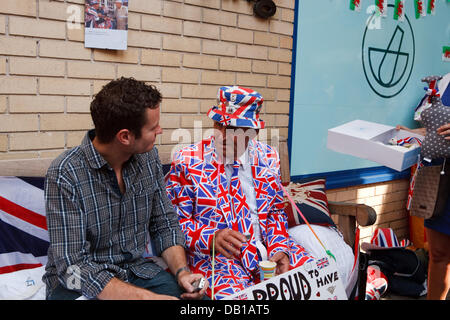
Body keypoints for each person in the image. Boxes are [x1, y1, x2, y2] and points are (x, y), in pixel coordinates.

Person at [43, 77, 208, 300]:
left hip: (136, 272)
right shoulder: (65, 173)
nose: (160, 130)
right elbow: (73, 267)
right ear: (125, 137)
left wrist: (182, 272)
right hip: (77, 284)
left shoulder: (148, 158)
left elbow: (164, 223)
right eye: (153, 127)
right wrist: (145, 299)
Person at [166, 86, 314, 299]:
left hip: (267, 250)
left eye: (235, 128)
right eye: (219, 125)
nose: (223, 136)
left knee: (313, 278)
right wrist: (211, 238)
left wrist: (279, 248)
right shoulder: (187, 161)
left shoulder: (268, 157)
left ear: (254, 132)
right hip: (218, 260)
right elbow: (175, 223)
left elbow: (275, 212)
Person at [398, 123, 450, 300]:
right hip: (437, 178)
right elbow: (438, 128)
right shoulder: (444, 93)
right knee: (438, 255)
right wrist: (412, 134)